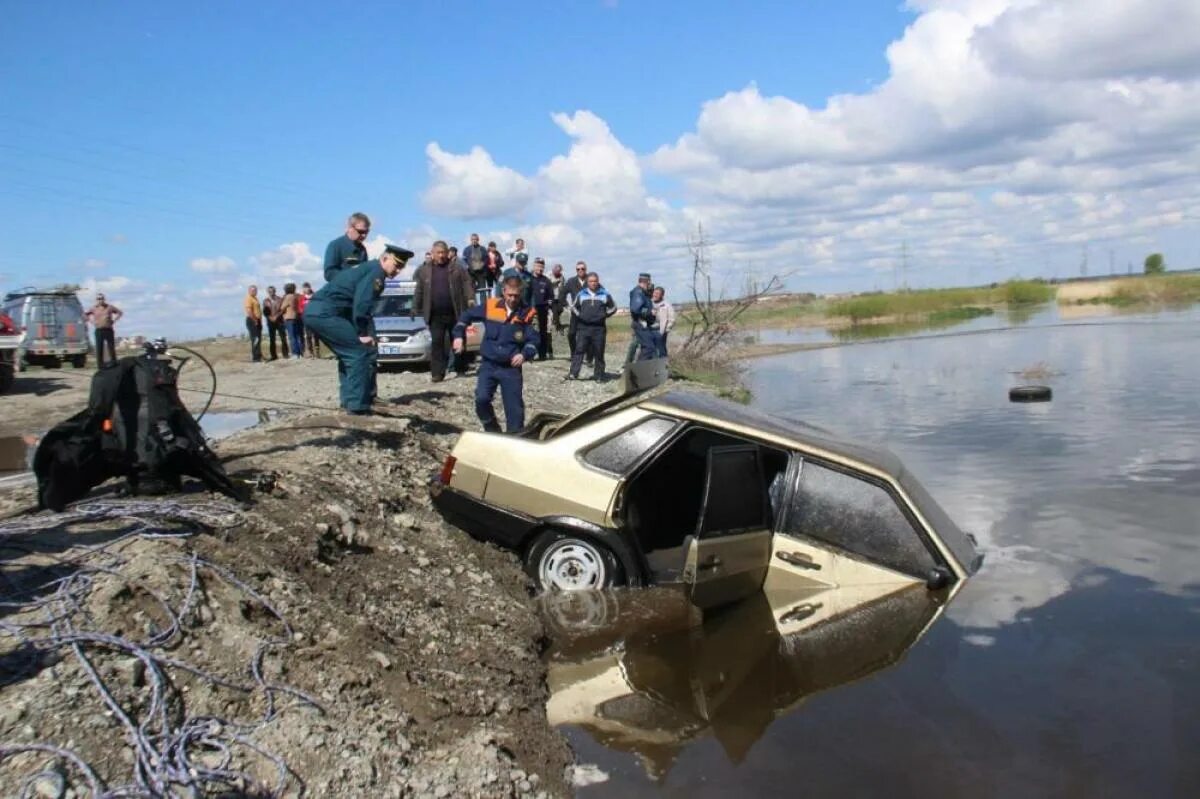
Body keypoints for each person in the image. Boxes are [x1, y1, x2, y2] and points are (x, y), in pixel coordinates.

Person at [304, 244, 413, 414]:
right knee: (358, 353)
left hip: (317, 311)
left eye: (401, 267)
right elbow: (362, 304)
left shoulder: (368, 268)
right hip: (326, 313)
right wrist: (362, 333)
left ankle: (349, 401)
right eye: (396, 265)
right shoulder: (376, 273)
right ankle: (357, 408)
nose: (398, 270)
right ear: (384, 259)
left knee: (347, 354)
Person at [453, 275, 539, 433]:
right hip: (489, 364)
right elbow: (466, 316)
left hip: (511, 368)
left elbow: (534, 340)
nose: (513, 299)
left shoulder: (527, 312)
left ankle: (515, 441)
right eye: (509, 295)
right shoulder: (491, 306)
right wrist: (459, 335)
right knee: (481, 399)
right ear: (504, 291)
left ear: (521, 293)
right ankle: (492, 429)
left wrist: (524, 355)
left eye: (516, 296)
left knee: (515, 411)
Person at [413, 240, 475, 382]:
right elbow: (419, 291)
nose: (441, 255)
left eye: (443, 253)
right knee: (437, 343)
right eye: (438, 253)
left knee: (458, 340)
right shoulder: (425, 271)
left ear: (447, 253)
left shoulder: (457, 268)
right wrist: (415, 307)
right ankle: (437, 373)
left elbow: (467, 283)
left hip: (455, 311)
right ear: (432, 254)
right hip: (435, 314)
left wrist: (470, 298)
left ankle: (460, 369)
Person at [567, 272, 616, 381]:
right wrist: (580, 315)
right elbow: (574, 307)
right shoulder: (581, 294)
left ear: (598, 281)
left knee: (599, 351)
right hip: (584, 327)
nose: (593, 283)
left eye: (595, 281)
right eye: (591, 281)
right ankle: (573, 373)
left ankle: (599, 375)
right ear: (587, 282)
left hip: (599, 328)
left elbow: (614, 307)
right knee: (579, 350)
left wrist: (604, 315)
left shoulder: (605, 294)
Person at [323, 212, 371, 282]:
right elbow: (329, 273)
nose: (364, 235)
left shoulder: (362, 250)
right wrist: (350, 276)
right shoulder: (336, 246)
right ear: (350, 228)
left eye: (366, 232)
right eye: (361, 231)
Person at [85, 292, 123, 367]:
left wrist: (114, 320)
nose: (100, 300)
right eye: (99, 299)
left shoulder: (109, 307)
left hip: (108, 330)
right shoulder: (93, 308)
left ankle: (114, 364)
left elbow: (120, 313)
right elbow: (85, 314)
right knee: (99, 348)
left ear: (104, 299)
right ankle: (100, 365)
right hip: (99, 330)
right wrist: (91, 321)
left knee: (111, 347)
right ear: (96, 300)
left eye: (102, 298)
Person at [629, 272, 661, 361]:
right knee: (648, 347)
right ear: (647, 281)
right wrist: (650, 312)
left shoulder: (643, 293)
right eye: (650, 282)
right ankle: (639, 370)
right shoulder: (638, 292)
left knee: (651, 346)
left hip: (644, 324)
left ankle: (646, 370)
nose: (651, 284)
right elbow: (635, 309)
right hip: (641, 323)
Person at [560, 261, 588, 358]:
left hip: (588, 312)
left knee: (588, 335)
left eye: (582, 269)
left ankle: (589, 357)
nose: (580, 270)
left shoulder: (591, 280)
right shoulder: (571, 281)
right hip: (575, 312)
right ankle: (574, 354)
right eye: (578, 269)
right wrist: (567, 306)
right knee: (571, 334)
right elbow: (562, 294)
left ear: (586, 269)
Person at [529, 258, 556, 360]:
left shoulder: (546, 281)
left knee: (543, 332)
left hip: (543, 310)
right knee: (530, 332)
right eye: (538, 266)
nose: (540, 269)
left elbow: (551, 296)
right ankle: (530, 353)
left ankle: (542, 354)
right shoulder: (528, 278)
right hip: (530, 309)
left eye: (542, 267)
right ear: (534, 266)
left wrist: (550, 302)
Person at [262, 286, 289, 360]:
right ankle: (273, 356)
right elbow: (265, 312)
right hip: (270, 322)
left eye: (272, 291)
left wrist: (276, 316)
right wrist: (270, 318)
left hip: (280, 321)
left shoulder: (280, 299)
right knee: (272, 339)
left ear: (275, 291)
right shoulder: (265, 301)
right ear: (268, 292)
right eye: (269, 291)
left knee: (283, 338)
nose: (271, 292)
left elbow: (283, 310)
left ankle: (285, 354)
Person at [298, 282, 321, 358]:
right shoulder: (302, 298)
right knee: (308, 336)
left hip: (315, 318)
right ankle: (311, 352)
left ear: (309, 288)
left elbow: (318, 305)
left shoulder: (315, 296)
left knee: (316, 335)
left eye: (307, 287)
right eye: (304, 288)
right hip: (306, 319)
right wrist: (303, 313)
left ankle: (317, 351)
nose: (305, 289)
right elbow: (300, 308)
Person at [281, 283, 302, 359]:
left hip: (289, 317)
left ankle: (295, 353)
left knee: (291, 336)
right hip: (295, 317)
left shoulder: (288, 297)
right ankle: (299, 352)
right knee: (296, 336)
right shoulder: (295, 296)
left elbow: (282, 307)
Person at [653, 286, 675, 355]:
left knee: (661, 349)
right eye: (654, 293)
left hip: (661, 331)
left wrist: (665, 330)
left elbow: (672, 319)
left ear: (662, 295)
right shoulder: (649, 303)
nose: (655, 295)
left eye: (657, 293)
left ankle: (664, 364)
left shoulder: (667, 305)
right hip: (650, 330)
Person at [244, 285, 263, 362]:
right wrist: (255, 320)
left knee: (258, 339)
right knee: (255, 339)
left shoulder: (255, 298)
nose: (254, 292)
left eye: (255, 290)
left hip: (257, 320)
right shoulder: (248, 298)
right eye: (252, 290)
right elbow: (249, 311)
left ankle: (259, 355)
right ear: (249, 291)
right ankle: (256, 358)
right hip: (252, 320)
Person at [548, 264, 566, 331]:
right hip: (551, 296)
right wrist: (556, 282)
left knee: (560, 310)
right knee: (555, 311)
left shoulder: (562, 277)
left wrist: (562, 286)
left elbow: (563, 286)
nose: (557, 272)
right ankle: (558, 326)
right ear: (553, 269)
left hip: (559, 297)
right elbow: (548, 284)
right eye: (556, 270)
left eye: (559, 271)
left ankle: (555, 320)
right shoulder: (549, 275)